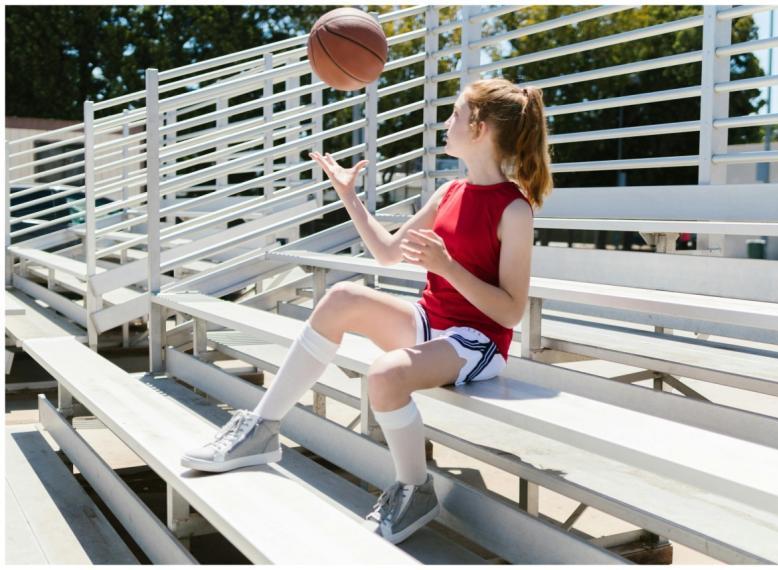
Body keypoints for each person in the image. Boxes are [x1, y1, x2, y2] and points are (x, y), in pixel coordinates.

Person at [180, 77, 553, 544]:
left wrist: (448, 267)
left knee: (384, 376)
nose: (447, 122)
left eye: (456, 114)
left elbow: (510, 313)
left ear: (478, 128)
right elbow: (388, 252)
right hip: (430, 324)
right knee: (340, 298)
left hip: (476, 342)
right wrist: (349, 197)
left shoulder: (515, 210)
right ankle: (263, 428)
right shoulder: (450, 193)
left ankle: (415, 489)